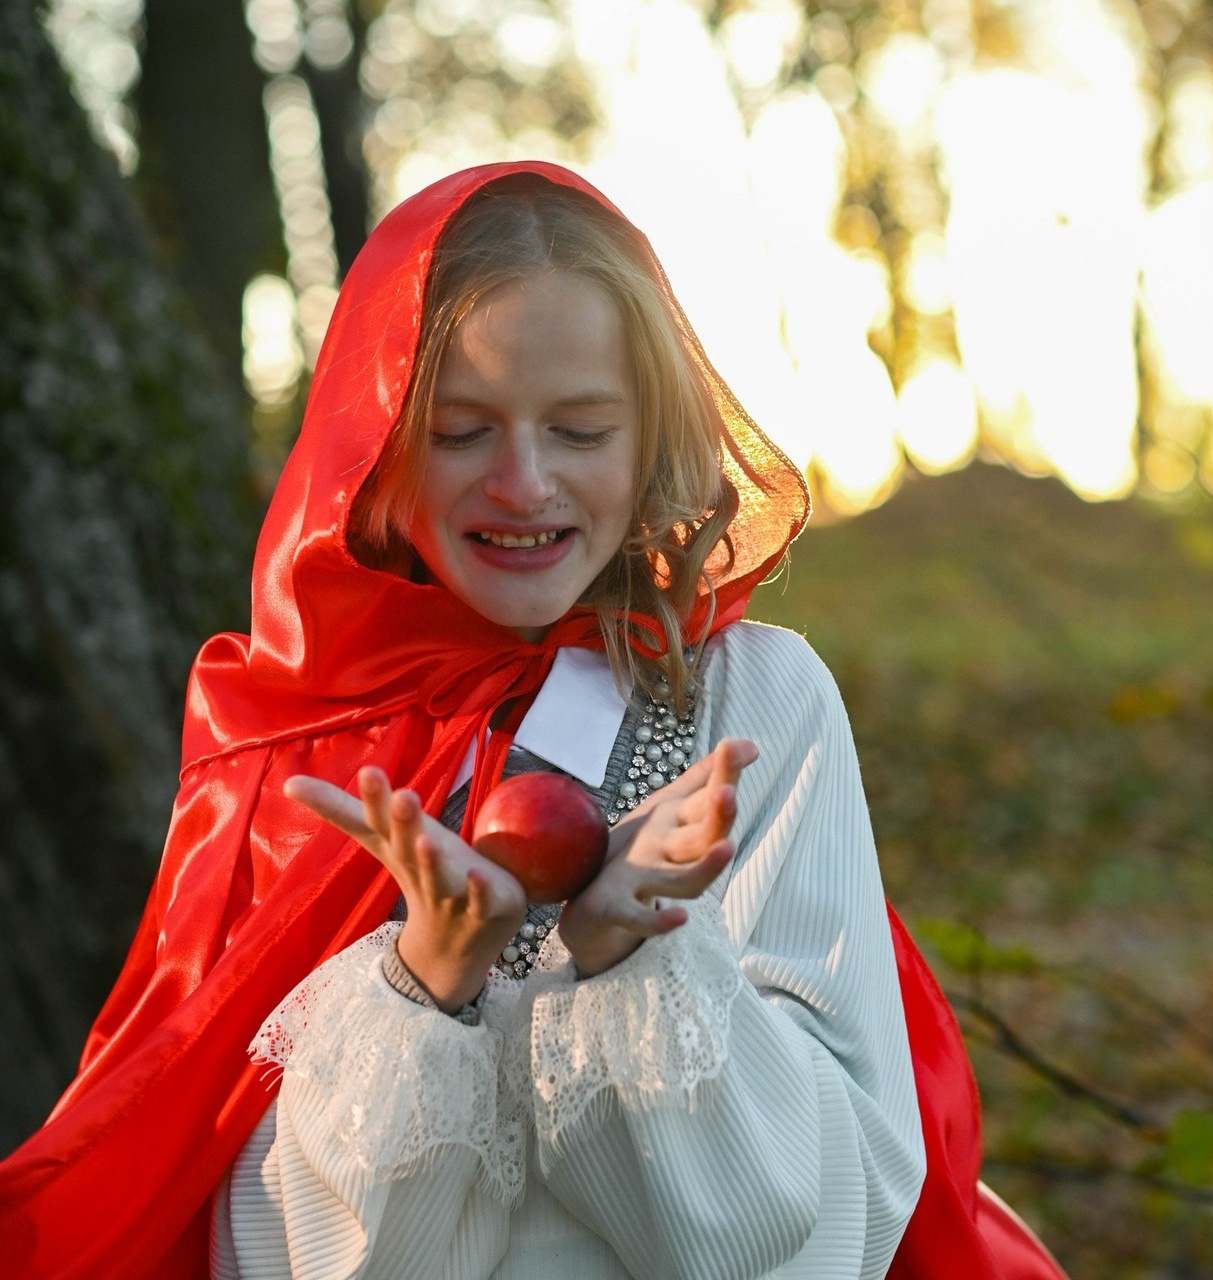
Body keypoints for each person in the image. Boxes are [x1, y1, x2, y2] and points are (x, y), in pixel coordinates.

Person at [0, 161, 1068, 1280]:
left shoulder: (759, 703)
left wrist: (628, 960)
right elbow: (265, 1247)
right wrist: (425, 982)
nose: (522, 481)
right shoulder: (292, 744)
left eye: (578, 429)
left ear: (650, 435)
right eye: (461, 431)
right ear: (373, 447)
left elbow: (835, 1220)